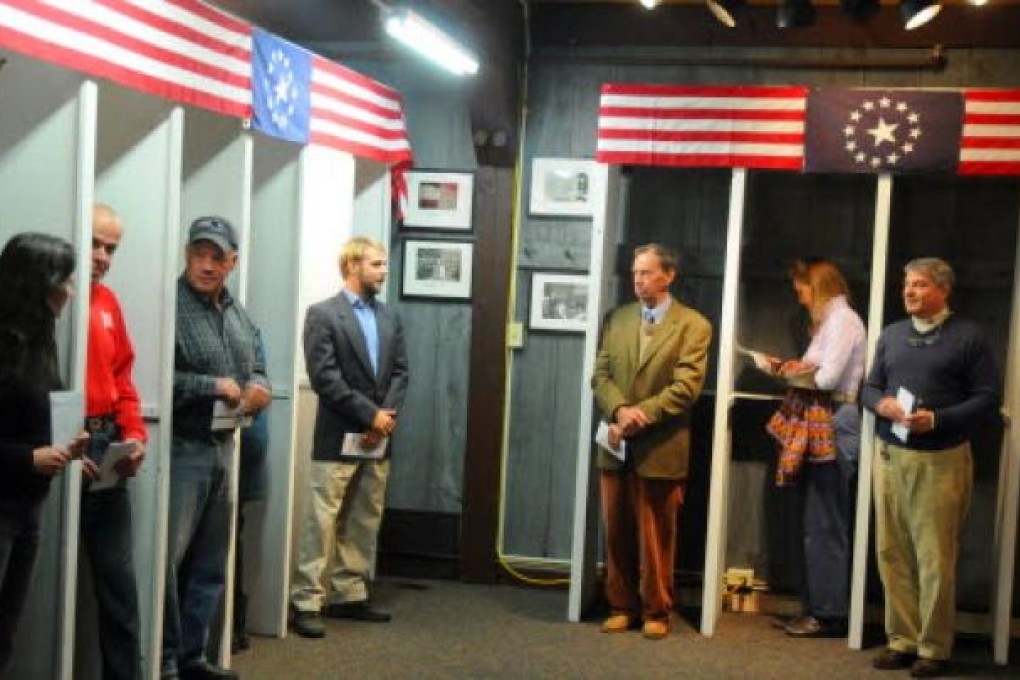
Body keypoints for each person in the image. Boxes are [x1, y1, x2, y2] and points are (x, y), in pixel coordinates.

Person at [863, 258, 1000, 678]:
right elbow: (868, 388)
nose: (909, 292)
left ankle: (934, 648)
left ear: (943, 290)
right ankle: (901, 640)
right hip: (888, 457)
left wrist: (937, 420)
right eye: (907, 284)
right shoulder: (892, 335)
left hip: (940, 460)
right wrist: (880, 404)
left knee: (934, 559)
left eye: (919, 285)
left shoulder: (968, 338)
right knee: (891, 553)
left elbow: (986, 398)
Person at [163, 217, 271, 680]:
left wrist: (259, 388)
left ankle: (193, 658)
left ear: (232, 262)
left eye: (216, 257)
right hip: (183, 448)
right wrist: (211, 385)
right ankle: (165, 661)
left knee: (210, 563)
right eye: (198, 254)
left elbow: (259, 365)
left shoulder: (236, 312)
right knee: (169, 561)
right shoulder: (168, 305)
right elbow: (155, 378)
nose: (205, 265)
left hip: (227, 447)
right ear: (187, 254)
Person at [290, 236, 409, 639]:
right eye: (376, 264)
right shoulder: (322, 315)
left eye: (383, 265)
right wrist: (370, 414)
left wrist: (385, 418)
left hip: (379, 437)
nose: (383, 270)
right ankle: (306, 600)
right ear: (352, 265)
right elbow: (325, 378)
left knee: (363, 517)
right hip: (338, 434)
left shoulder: (390, 316)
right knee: (320, 519)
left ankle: (348, 593)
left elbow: (400, 372)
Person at [591, 243, 711, 640]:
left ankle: (656, 610)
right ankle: (621, 606)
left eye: (646, 272)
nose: (637, 279)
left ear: (668, 275)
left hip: (661, 447)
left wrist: (642, 416)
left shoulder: (693, 325)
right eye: (634, 272)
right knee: (617, 530)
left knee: (657, 535)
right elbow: (600, 376)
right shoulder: (617, 319)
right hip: (615, 442)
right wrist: (621, 410)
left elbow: (687, 387)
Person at [763, 259, 865, 638]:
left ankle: (827, 611)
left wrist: (786, 370)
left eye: (803, 290)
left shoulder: (843, 321)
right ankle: (818, 608)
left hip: (834, 417)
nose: (801, 299)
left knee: (824, 522)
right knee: (814, 520)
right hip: (827, 415)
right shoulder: (834, 322)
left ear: (818, 286)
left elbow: (826, 376)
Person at [0, 233, 87, 672]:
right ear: (36, 282)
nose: (70, 291)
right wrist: (27, 458)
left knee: (5, 632)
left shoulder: (42, 338)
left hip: (29, 507)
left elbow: (36, 416)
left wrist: (70, 447)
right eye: (64, 280)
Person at [81, 203, 146, 680]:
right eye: (95, 243)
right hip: (61, 450)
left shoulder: (107, 303)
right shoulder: (43, 300)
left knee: (119, 587)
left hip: (106, 447)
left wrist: (135, 436)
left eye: (111, 248)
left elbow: (123, 379)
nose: (103, 256)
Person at [231, 332, 269, 655]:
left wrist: (260, 389)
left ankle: (232, 625)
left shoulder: (242, 322)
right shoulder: (180, 311)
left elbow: (260, 373)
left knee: (233, 536)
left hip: (242, 447)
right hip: (201, 441)